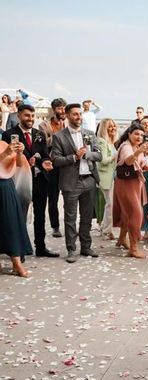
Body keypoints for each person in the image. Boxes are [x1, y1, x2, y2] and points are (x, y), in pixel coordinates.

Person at [1, 104, 58, 257]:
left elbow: (44, 154)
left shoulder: (39, 133)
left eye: (32, 116)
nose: (30, 119)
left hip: (40, 179)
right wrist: (25, 160)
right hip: (20, 180)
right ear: (18, 115)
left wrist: (46, 161)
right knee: (19, 215)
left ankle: (40, 247)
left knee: (40, 216)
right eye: (27, 115)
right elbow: (8, 158)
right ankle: (18, 250)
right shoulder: (8, 135)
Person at [50, 103, 102, 263]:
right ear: (66, 116)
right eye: (75, 114)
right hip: (71, 182)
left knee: (87, 217)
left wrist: (88, 155)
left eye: (80, 114)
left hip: (89, 180)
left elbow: (98, 155)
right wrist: (74, 157)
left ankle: (86, 246)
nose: (78, 117)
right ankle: (71, 249)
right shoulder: (59, 136)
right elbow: (55, 159)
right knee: (70, 217)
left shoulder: (90, 134)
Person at [112, 124, 148, 258]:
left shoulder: (136, 147)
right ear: (129, 134)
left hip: (135, 183)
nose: (139, 137)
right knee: (136, 213)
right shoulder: (126, 146)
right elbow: (128, 162)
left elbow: (142, 165)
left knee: (127, 212)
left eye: (141, 135)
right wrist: (138, 152)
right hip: (126, 183)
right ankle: (133, 248)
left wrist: (145, 160)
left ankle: (122, 239)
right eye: (136, 134)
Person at [0, 140, 32, 277]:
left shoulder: (3, 143)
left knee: (12, 222)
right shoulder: (5, 148)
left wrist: (19, 153)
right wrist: (6, 153)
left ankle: (16, 262)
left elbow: (18, 164)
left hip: (5, 186)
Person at [39, 98, 67, 238]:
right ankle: (55, 226)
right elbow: (43, 143)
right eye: (60, 108)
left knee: (69, 197)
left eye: (64, 108)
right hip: (52, 165)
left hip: (67, 164)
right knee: (53, 198)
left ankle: (69, 224)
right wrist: (59, 135)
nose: (63, 111)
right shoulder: (44, 125)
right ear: (54, 109)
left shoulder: (68, 122)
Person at [95, 119, 118, 240]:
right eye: (110, 126)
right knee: (110, 204)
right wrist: (115, 156)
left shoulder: (110, 142)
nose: (113, 128)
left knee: (109, 204)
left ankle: (105, 227)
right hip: (105, 176)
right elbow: (102, 160)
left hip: (111, 176)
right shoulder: (101, 142)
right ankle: (107, 231)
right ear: (104, 128)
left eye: (114, 126)